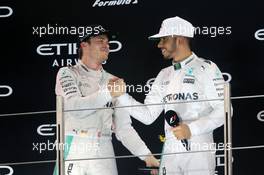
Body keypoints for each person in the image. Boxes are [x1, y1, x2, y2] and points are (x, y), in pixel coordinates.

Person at [117, 16, 226, 175]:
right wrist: (121, 96)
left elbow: (224, 109)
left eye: (164, 39)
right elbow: (148, 115)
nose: (160, 44)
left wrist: (192, 129)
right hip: (170, 148)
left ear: (180, 39)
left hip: (199, 148)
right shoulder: (163, 74)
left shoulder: (206, 68)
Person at [54, 24, 159, 175]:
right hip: (74, 144)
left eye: (107, 42)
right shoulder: (67, 73)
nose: (106, 45)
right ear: (84, 44)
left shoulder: (113, 80)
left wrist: (147, 156)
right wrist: (108, 92)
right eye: (100, 40)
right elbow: (75, 109)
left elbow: (123, 128)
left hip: (104, 146)